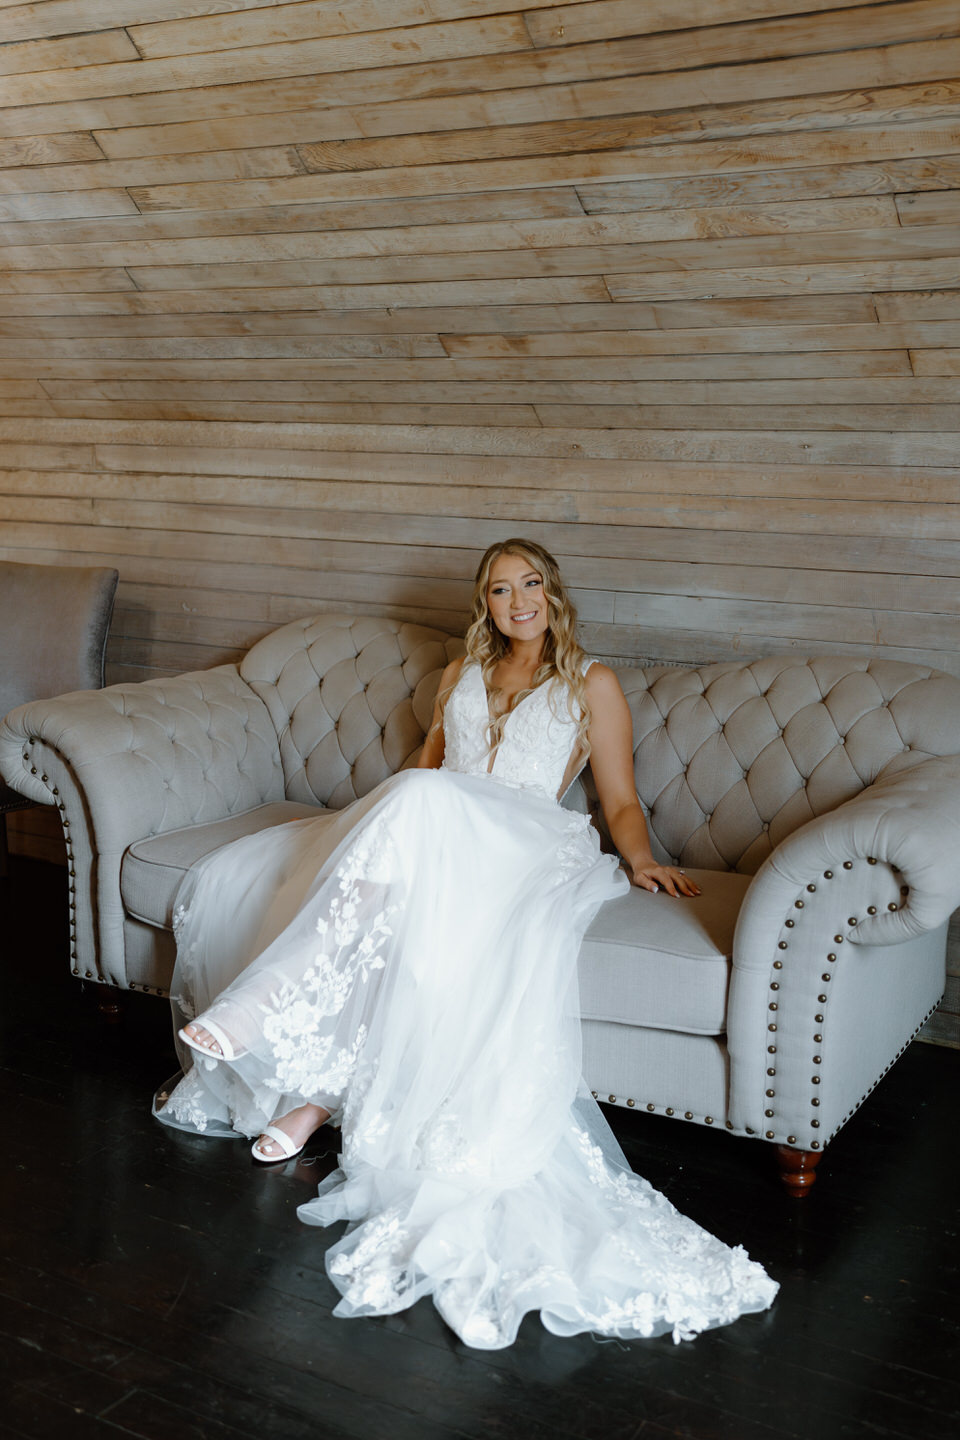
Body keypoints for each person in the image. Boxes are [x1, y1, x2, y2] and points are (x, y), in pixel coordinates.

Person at [154, 538, 778, 1348]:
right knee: (401, 892)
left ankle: (272, 1019)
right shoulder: (459, 677)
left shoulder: (592, 683)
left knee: (419, 812)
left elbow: (619, 800)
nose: (517, 601)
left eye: (531, 586)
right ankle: (316, 1099)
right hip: (447, 836)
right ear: (482, 603)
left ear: (553, 596)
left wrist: (645, 860)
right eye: (499, 590)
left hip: (528, 843)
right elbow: (423, 775)